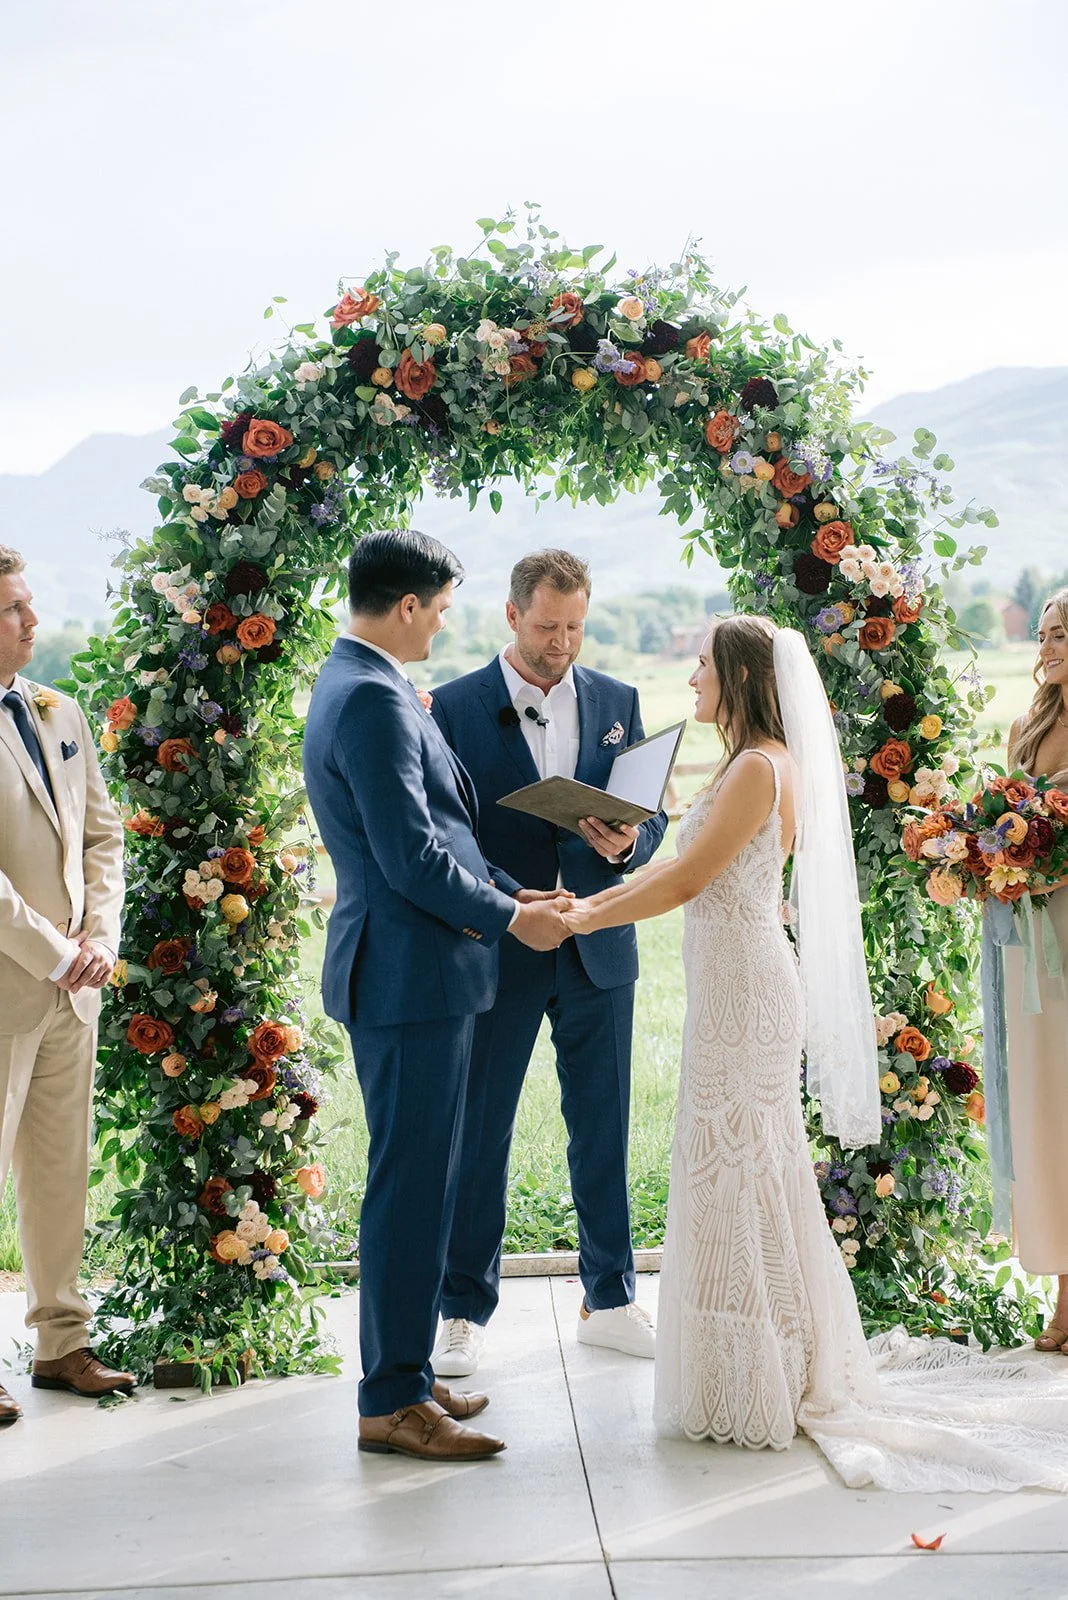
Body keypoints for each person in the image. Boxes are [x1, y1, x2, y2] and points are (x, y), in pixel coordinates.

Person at [562, 613, 1068, 1491]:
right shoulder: (749, 763)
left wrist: (584, 916)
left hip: (747, 992)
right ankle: (754, 1359)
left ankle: (765, 1369)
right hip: (732, 985)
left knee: (747, 1165)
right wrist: (588, 898)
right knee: (743, 1167)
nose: (692, 681)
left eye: (703, 666)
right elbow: (679, 869)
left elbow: (687, 878)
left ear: (740, 677)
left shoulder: (759, 768)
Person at [302, 530, 571, 1464]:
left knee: (424, 1182)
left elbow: (443, 835)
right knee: (410, 1190)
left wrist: (513, 890)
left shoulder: (360, 681)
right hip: (409, 976)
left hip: (421, 972)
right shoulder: (372, 697)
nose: (445, 625)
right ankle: (390, 1403)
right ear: (408, 604)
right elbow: (410, 859)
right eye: (444, 607)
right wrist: (512, 919)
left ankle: (409, 1374)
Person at [428, 550, 667, 1377]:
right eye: (546, 626)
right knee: (479, 1132)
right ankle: (462, 1310)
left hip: (599, 944)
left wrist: (631, 840)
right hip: (499, 948)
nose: (561, 642)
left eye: (574, 626)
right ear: (511, 615)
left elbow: (651, 814)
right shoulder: (452, 707)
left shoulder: (617, 700)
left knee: (604, 1127)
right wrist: (512, 904)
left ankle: (612, 1298)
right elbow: (446, 836)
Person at [0, 545, 130, 1428]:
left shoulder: (59, 708)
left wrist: (99, 939)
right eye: (14, 607)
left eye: (29, 602)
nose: (33, 620)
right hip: (10, 982)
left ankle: (62, 1341)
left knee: (60, 1168)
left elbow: (103, 836)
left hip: (73, 988)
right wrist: (53, 950)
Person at [1003, 589, 1068, 1353]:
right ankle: (1063, 1293)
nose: (1046, 647)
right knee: (1047, 1105)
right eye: (1044, 635)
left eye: (1059, 636)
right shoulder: (1026, 728)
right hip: (1033, 938)